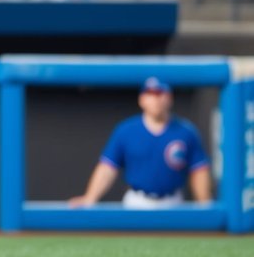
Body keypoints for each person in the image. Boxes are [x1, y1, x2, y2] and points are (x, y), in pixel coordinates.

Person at [69, 77, 211, 209]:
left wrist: (205, 204)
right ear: (141, 99)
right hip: (137, 201)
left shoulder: (185, 131)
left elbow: (198, 170)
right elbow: (108, 167)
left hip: (172, 202)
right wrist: (90, 197)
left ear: (170, 98)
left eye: (160, 93)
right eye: (150, 94)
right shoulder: (126, 130)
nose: (156, 99)